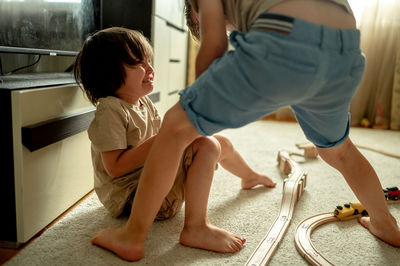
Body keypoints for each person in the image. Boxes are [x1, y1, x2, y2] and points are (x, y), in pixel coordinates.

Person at [88, 0, 400, 261]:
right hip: (344, 53)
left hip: (285, 38)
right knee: (340, 150)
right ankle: (385, 223)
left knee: (176, 125)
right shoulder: (113, 109)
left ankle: (132, 236)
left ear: (194, 13)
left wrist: (198, 105)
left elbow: (214, 45)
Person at [73, 27, 276, 260]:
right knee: (207, 146)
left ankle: (249, 176)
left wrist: (177, 137)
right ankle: (196, 226)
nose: (149, 69)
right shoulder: (110, 110)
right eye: (138, 63)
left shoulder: (143, 102)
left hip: (152, 182)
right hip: (131, 196)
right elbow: (115, 168)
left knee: (219, 142)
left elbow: (167, 147)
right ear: (109, 76)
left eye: (149, 61)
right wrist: (164, 138)